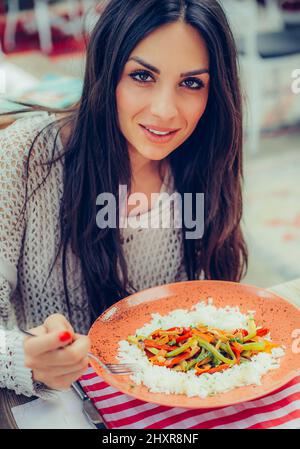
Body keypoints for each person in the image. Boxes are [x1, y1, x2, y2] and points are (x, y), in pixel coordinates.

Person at [0, 0, 247, 398]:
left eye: (191, 83)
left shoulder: (204, 163)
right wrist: (23, 356)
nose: (165, 111)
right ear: (106, 70)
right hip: (55, 408)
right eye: (142, 75)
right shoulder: (25, 157)